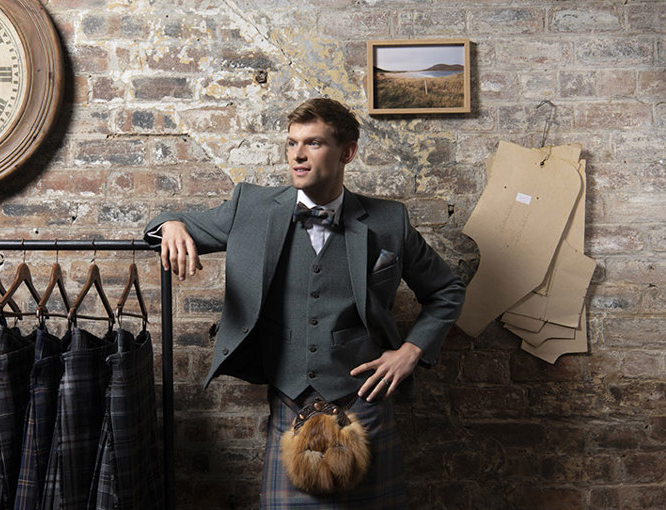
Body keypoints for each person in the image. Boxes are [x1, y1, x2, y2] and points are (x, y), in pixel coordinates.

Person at [144, 97, 465, 508]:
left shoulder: (389, 221)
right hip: (289, 404)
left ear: (347, 152)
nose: (297, 154)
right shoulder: (252, 208)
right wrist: (171, 224)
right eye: (292, 143)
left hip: (364, 403)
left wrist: (410, 351)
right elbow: (164, 223)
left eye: (313, 143)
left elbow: (446, 291)